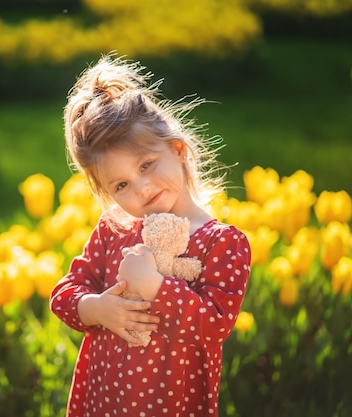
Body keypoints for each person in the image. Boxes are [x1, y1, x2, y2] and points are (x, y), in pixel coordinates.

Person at [50, 54, 251, 417]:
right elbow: (64, 295)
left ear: (178, 150)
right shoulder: (116, 231)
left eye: (146, 165)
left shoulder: (221, 242)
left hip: (171, 404)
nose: (141, 189)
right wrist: (98, 308)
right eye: (122, 184)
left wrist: (157, 286)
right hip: (104, 402)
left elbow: (213, 325)